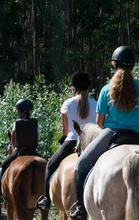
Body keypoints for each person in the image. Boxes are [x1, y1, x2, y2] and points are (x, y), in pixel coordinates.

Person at [68, 46, 139, 220]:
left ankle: (81, 210)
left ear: (113, 65)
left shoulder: (106, 89)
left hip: (111, 133)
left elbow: (99, 122)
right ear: (133, 66)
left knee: (81, 165)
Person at [35, 71, 97, 210]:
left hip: (72, 140)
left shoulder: (67, 104)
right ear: (89, 87)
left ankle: (46, 199)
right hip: (93, 143)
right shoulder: (96, 104)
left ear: (73, 88)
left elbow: (65, 130)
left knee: (50, 166)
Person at [0, 98, 39, 200]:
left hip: (19, 150)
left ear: (23, 111)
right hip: (33, 151)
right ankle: (46, 194)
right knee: (46, 166)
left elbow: (13, 142)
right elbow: (37, 137)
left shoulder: (16, 124)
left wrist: (14, 147)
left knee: (2, 167)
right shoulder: (35, 123)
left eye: (18, 110)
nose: (17, 112)